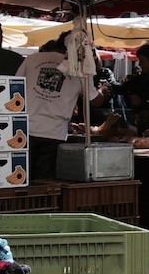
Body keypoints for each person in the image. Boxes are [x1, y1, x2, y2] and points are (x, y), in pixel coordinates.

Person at [16, 33, 104, 179]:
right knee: (45, 182)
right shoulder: (81, 69)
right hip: (54, 133)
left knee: (21, 178)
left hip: (24, 129)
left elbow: (14, 88)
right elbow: (95, 100)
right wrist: (102, 91)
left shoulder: (32, 59)